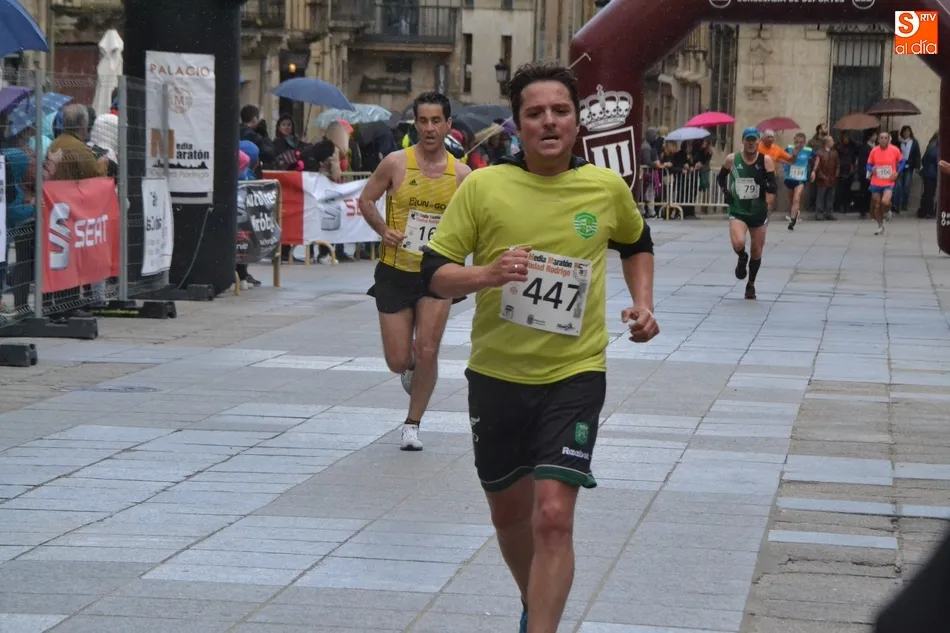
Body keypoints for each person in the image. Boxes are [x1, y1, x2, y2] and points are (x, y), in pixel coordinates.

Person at [420, 62, 659, 633]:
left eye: (560, 111)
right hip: (497, 376)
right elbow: (434, 274)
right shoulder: (483, 187)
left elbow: (636, 242)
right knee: (510, 516)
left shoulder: (605, 188)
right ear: (518, 124)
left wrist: (643, 303)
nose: (549, 121)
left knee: (552, 515)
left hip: (575, 373)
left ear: (577, 122)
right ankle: (536, 601)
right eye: (535, 113)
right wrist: (487, 274)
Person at [358, 91, 472, 451]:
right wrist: (383, 229)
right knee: (398, 360)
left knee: (428, 349)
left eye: (436, 121)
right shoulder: (395, 163)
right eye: (423, 121)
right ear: (415, 124)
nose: (429, 128)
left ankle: (412, 424)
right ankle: (409, 366)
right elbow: (366, 199)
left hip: (437, 274)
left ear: (448, 125)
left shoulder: (463, 174)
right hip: (396, 270)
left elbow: (474, 222)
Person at [716, 127, 777, 300]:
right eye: (748, 140)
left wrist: (763, 185)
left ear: (758, 141)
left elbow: (773, 186)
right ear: (742, 141)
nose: (751, 143)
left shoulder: (766, 161)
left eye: (754, 140)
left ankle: (751, 284)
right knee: (738, 243)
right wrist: (726, 192)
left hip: (758, 211)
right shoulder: (732, 159)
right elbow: (720, 177)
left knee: (757, 250)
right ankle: (742, 257)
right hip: (738, 209)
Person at [866, 131, 903, 235]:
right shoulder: (874, 150)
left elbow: (902, 162)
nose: (883, 140)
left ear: (888, 139)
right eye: (881, 138)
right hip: (876, 181)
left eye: (885, 138)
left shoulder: (894, 150)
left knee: (885, 201)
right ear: (878, 140)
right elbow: (868, 165)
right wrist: (871, 169)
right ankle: (880, 226)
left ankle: (887, 210)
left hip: (888, 181)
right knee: (877, 205)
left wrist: (897, 172)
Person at [784, 132, 812, 230]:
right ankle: (795, 212)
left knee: (796, 198)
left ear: (804, 142)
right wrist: (785, 165)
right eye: (796, 142)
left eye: (801, 142)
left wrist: (814, 171)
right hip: (789, 177)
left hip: (801, 178)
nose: (798, 144)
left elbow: (818, 157)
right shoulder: (789, 148)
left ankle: (792, 221)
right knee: (791, 200)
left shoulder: (808, 150)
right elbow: (782, 156)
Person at [811, 135, 840, 221]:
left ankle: (829, 213)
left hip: (832, 178)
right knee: (821, 196)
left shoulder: (835, 152)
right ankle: (819, 213)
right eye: (832, 141)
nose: (833, 142)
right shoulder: (819, 152)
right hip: (822, 179)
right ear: (827, 142)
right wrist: (821, 176)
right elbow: (817, 166)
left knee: (830, 197)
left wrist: (836, 174)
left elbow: (838, 164)